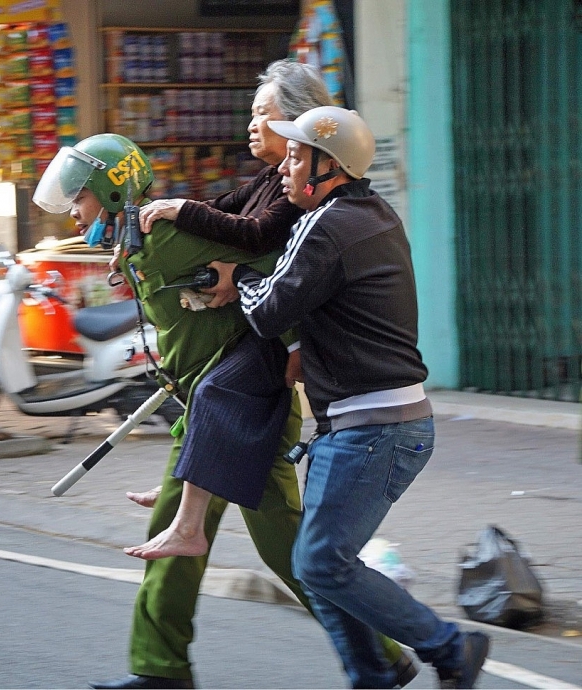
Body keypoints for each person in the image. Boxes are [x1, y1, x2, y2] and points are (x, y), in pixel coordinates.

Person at [83, 60, 418, 690]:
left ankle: (384, 653)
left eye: (264, 114)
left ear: (302, 130)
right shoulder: (273, 180)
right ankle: (162, 669)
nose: (252, 124)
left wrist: (180, 217)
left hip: (244, 387)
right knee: (268, 545)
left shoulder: (303, 205)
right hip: (227, 387)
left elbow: (252, 238)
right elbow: (223, 214)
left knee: (293, 552)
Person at [206, 105, 491, 689]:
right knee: (320, 563)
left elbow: (267, 312)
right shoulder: (374, 215)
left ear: (327, 165)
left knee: (318, 562)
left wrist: (237, 279)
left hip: (373, 430)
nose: (283, 170)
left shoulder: (328, 225)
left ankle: (450, 647)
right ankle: (372, 674)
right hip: (379, 424)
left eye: (294, 156)